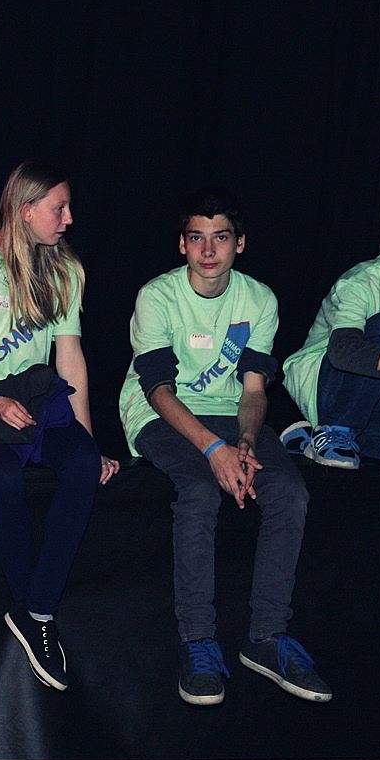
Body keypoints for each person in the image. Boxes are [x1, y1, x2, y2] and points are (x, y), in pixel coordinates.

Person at [118, 185, 331, 706]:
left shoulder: (259, 299)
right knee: (198, 490)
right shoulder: (157, 296)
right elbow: (159, 391)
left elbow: (254, 390)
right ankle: (197, 641)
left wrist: (247, 442)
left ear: (240, 243)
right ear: (182, 244)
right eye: (197, 238)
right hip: (160, 414)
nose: (208, 250)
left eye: (221, 238)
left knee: (289, 492)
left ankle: (266, 638)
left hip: (231, 416)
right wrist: (215, 451)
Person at [0, 160, 119, 692]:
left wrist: (88, 439)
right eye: (59, 208)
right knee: (4, 478)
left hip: (35, 402)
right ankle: (36, 612)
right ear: (26, 210)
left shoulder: (65, 269)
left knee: (82, 466)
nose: (69, 218)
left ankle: (36, 612)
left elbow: (70, 358)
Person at [279, 187, 380, 470]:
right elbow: (343, 352)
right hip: (326, 384)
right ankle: (337, 429)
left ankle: (313, 438)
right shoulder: (359, 285)